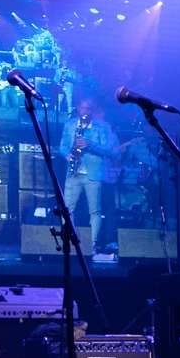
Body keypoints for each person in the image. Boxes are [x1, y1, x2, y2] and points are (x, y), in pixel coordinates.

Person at [58, 98, 119, 251]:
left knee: (95, 210)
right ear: (78, 108)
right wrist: (67, 155)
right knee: (67, 209)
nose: (84, 112)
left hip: (93, 173)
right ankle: (69, 240)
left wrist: (90, 144)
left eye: (88, 109)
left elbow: (108, 150)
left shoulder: (102, 127)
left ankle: (91, 244)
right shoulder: (70, 124)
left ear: (92, 110)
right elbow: (62, 146)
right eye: (82, 108)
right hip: (73, 171)